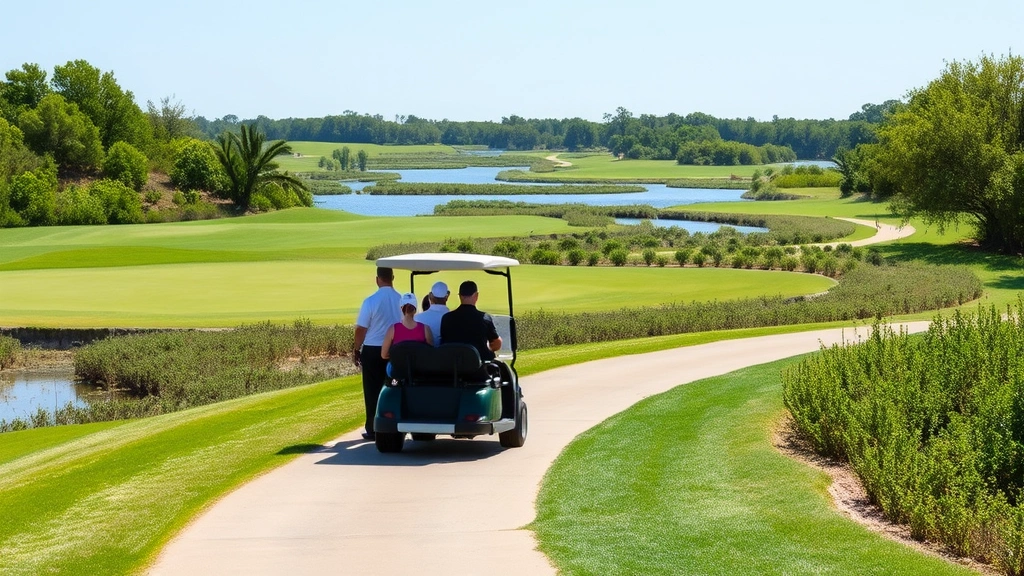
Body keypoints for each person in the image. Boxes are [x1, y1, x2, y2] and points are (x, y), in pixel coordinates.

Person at [353, 266, 401, 440]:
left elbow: (361, 329)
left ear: (377, 279)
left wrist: (356, 348)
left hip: (373, 349)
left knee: (372, 390)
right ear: (392, 277)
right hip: (395, 349)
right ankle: (394, 424)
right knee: (393, 386)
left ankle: (373, 428)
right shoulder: (402, 300)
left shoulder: (370, 301)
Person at [440, 280, 502, 361]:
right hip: (479, 368)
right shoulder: (484, 318)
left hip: (454, 366)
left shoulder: (446, 318)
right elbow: (497, 344)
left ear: (460, 296)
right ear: (476, 295)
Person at [381, 292, 434, 359]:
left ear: (401, 308)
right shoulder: (425, 329)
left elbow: (384, 355)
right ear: (415, 310)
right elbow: (431, 352)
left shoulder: (392, 329)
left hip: (400, 367)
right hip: (418, 366)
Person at [414, 281, 450, 347]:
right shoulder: (454, 318)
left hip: (424, 355)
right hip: (447, 355)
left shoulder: (417, 318)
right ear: (447, 296)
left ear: (430, 296)